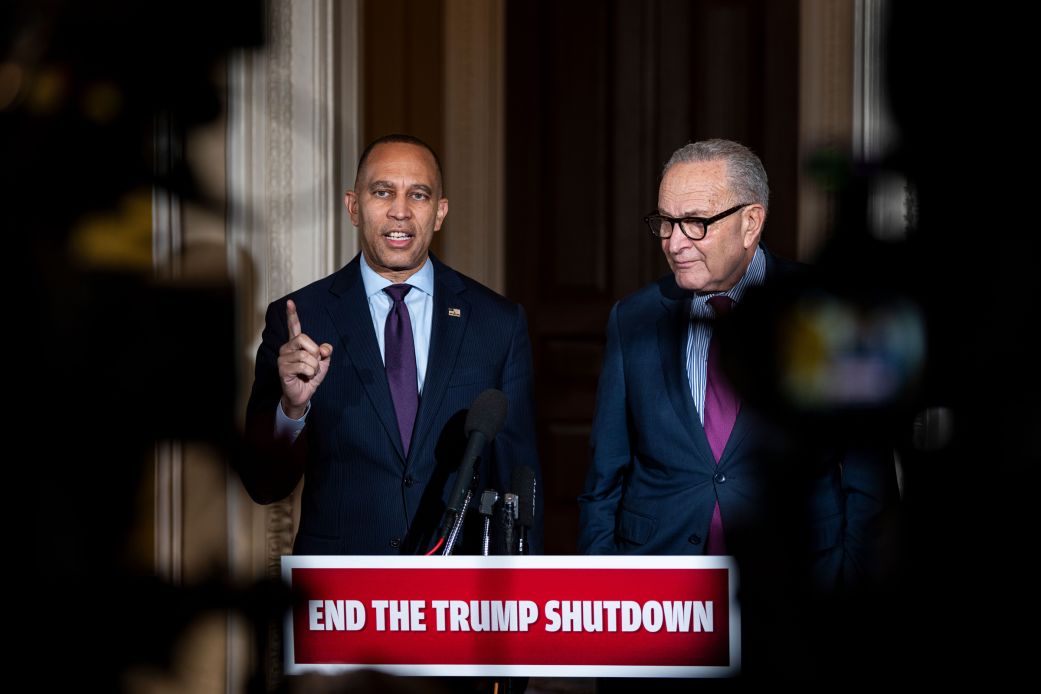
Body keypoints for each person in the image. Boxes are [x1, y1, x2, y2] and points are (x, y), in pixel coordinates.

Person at [577, 139, 894, 589]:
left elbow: (868, 478)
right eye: (666, 222)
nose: (675, 242)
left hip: (797, 584)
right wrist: (600, 589)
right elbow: (604, 478)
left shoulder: (827, 310)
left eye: (695, 223)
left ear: (750, 223)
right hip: (660, 589)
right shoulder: (633, 318)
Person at [242, 134, 542, 555]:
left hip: (458, 593)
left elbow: (520, 483)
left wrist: (521, 599)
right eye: (382, 192)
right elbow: (262, 485)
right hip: (341, 596)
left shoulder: (498, 323)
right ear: (353, 207)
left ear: (439, 213)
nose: (400, 211)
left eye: (417, 195)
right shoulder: (299, 321)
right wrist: (292, 410)